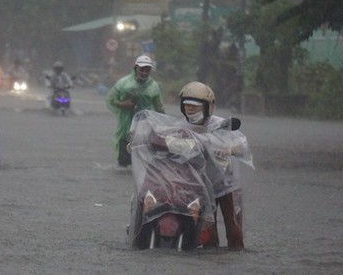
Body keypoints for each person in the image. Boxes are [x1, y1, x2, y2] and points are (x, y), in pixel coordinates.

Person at [178, 81, 253, 250]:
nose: (190, 109)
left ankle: (235, 260)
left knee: (234, 231)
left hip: (228, 186)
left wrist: (229, 149)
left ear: (208, 106)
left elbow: (243, 145)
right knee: (208, 236)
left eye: (195, 106)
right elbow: (164, 141)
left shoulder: (222, 125)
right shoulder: (181, 127)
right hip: (202, 187)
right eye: (187, 105)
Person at [105, 55, 165, 167]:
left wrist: (163, 125)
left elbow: (159, 106)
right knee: (124, 161)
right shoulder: (123, 83)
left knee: (142, 159)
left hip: (145, 125)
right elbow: (110, 99)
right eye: (142, 69)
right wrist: (123, 104)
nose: (144, 73)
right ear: (135, 68)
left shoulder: (153, 86)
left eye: (147, 70)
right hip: (126, 126)